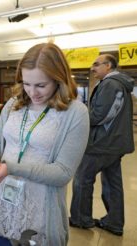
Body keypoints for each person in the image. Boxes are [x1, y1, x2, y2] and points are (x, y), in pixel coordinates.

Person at [0, 43, 90, 245]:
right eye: (26, 83)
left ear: (59, 80)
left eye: (41, 85)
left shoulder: (75, 113)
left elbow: (63, 172)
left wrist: (11, 167)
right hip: (2, 196)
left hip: (39, 205)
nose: (32, 92)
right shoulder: (13, 104)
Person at [69, 54, 135, 236]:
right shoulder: (119, 84)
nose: (93, 68)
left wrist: (77, 116)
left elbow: (99, 116)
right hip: (115, 143)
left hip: (102, 144)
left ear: (108, 66)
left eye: (97, 64)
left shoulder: (110, 84)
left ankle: (81, 219)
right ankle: (114, 222)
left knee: (82, 179)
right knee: (112, 184)